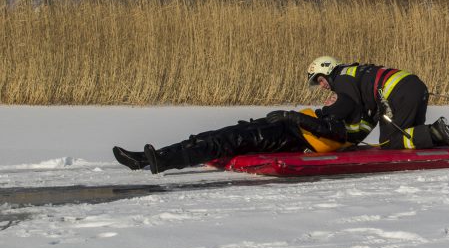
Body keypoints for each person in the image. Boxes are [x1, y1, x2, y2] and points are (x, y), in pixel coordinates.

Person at [113, 97, 355, 174]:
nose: (328, 97)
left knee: (222, 143)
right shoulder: (325, 114)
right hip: (276, 131)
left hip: (285, 138)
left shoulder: (339, 125)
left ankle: (164, 162)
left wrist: (289, 115)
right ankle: (145, 159)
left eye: (333, 98)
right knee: (205, 136)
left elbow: (326, 133)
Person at [304, 56, 449, 151]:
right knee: (412, 137)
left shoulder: (342, 78)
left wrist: (325, 116)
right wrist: (354, 140)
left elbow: (351, 109)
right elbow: (367, 117)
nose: (322, 86)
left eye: (319, 80)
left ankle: (440, 129)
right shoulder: (353, 72)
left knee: (389, 142)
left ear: (327, 69)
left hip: (397, 93)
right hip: (414, 86)